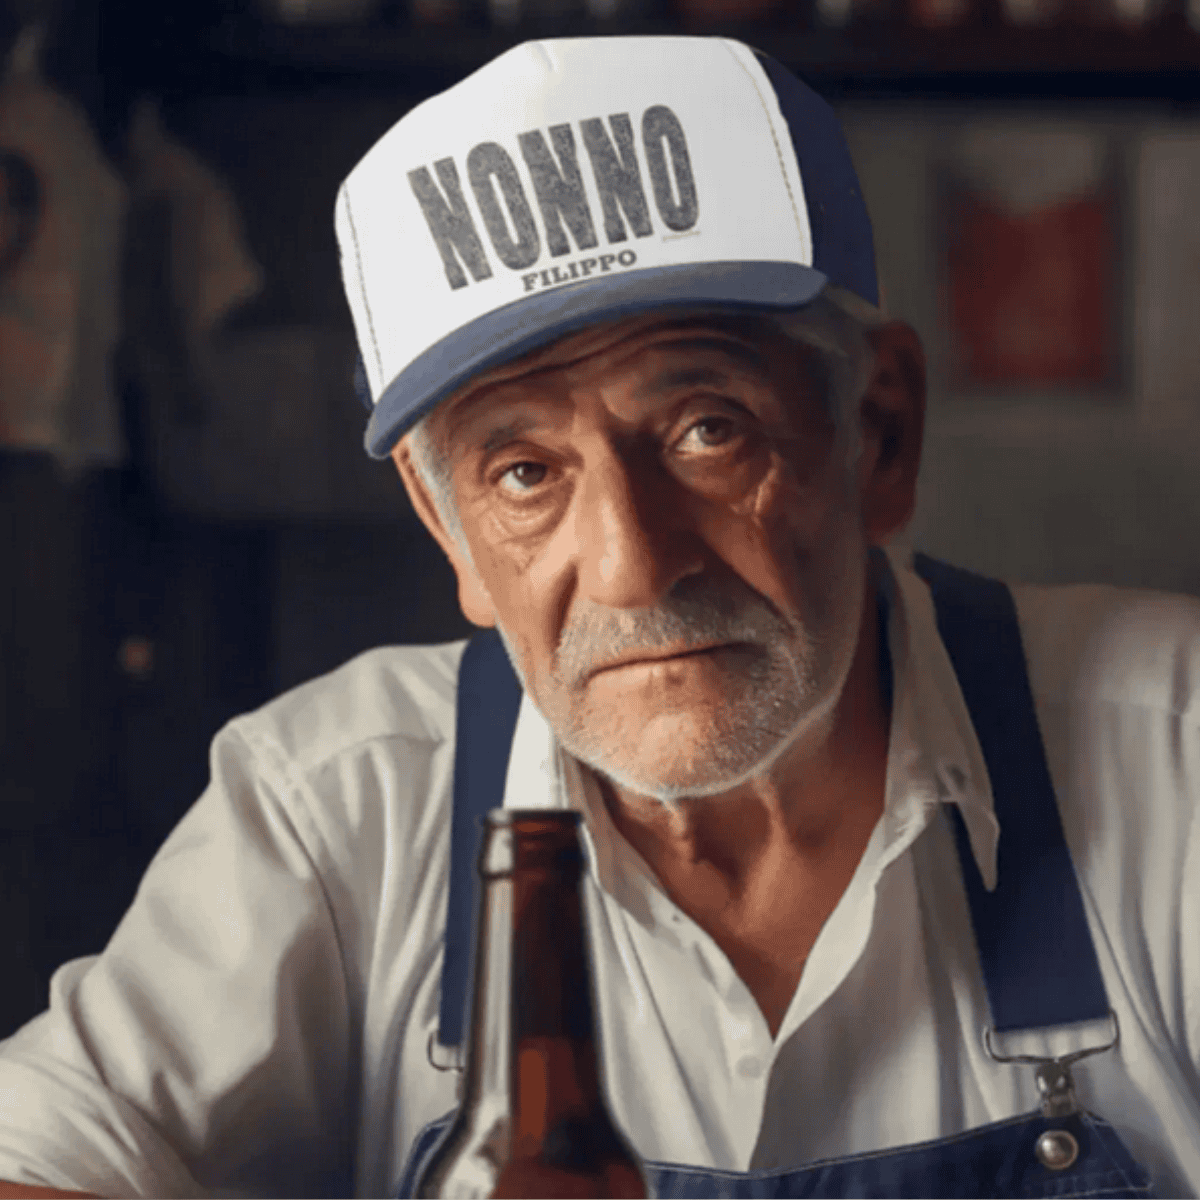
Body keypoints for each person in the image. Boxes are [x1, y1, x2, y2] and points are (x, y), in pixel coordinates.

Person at [1, 33, 1198, 1200]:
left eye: (705, 430)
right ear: (447, 526)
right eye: (523, 472)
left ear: (879, 430)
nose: (632, 570)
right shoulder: (335, 806)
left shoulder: (1174, 746)